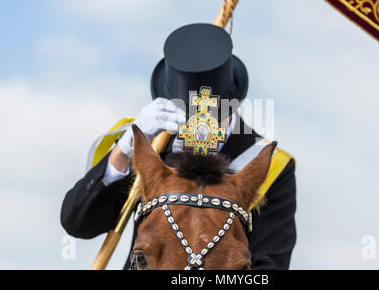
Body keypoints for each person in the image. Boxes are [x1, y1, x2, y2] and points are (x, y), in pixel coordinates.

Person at [60, 23, 297, 269]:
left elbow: (269, 266)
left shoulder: (270, 164)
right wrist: (124, 150)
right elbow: (79, 223)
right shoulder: (150, 145)